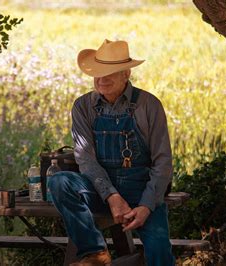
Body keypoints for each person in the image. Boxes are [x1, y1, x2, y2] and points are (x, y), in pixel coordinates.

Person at [48, 39, 174, 266]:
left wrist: (146, 206)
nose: (101, 79)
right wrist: (112, 196)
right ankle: (95, 253)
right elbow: (85, 159)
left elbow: (162, 163)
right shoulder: (83, 106)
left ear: (126, 74)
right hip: (99, 189)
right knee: (60, 181)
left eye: (109, 73)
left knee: (159, 253)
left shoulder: (149, 105)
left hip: (141, 190)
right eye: (97, 73)